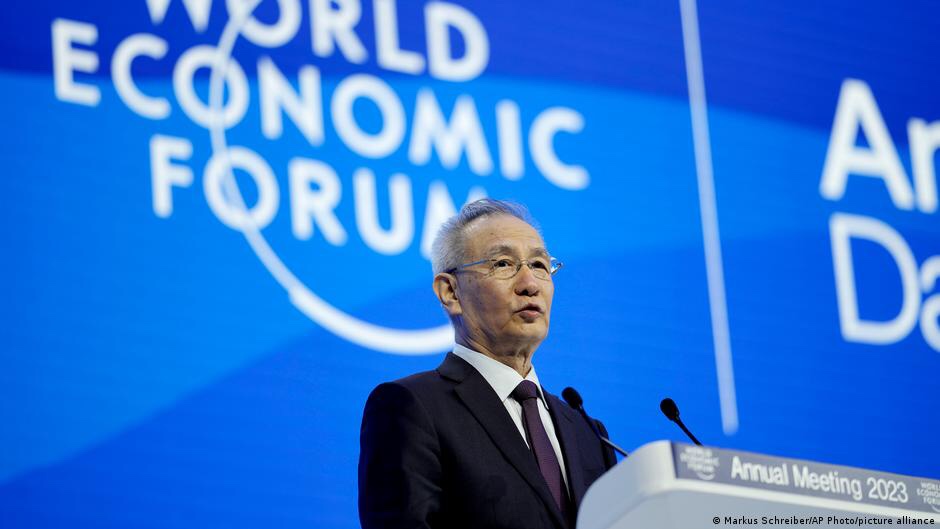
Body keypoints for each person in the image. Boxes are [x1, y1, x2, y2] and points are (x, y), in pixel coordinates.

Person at [358, 199, 617, 529]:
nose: (530, 284)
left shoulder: (589, 433)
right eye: (503, 264)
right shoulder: (412, 407)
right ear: (451, 292)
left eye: (539, 265)